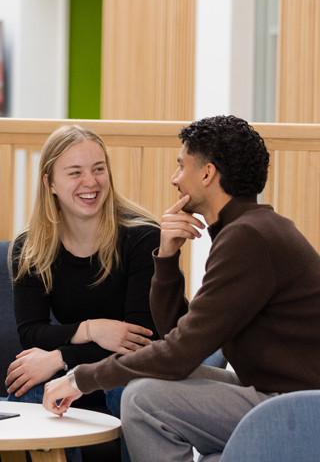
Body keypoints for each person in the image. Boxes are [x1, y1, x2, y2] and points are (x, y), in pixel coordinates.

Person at [42, 115, 320, 462]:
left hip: (299, 407)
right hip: (276, 395)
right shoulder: (252, 229)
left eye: (181, 166)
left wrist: (81, 379)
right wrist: (168, 257)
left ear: (207, 174)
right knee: (143, 383)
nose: (175, 179)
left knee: (144, 399)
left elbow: (181, 353)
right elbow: (177, 334)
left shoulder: (248, 238)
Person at [6, 125, 159, 462]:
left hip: (140, 366)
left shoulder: (143, 237)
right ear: (50, 183)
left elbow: (139, 341)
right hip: (90, 358)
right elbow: (31, 332)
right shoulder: (31, 247)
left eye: (98, 169)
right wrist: (93, 329)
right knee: (25, 386)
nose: (90, 182)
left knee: (127, 390)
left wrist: (61, 357)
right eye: (75, 172)